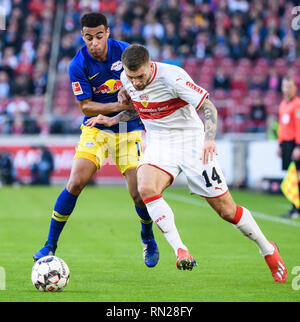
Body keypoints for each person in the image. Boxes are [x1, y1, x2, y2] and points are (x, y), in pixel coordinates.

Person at [86, 44, 287, 283]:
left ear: (151, 66)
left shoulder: (173, 76)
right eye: (131, 77)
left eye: (140, 76)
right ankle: (180, 250)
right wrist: (112, 120)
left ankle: (268, 250)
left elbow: (208, 106)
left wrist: (209, 139)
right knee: (146, 187)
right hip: (160, 144)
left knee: (227, 211)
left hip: (192, 143)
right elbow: (139, 108)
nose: (136, 82)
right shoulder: (126, 78)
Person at [33, 13, 159, 268]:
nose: (94, 43)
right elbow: (86, 107)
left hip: (128, 127)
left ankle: (147, 237)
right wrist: (116, 103)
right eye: (89, 38)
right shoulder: (77, 64)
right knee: (76, 181)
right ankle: (50, 243)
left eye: (99, 36)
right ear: (83, 36)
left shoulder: (126, 53)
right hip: (96, 127)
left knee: (138, 194)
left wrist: (132, 95)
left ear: (108, 33)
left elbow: (145, 87)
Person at [277, 76, 300, 219]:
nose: (286, 89)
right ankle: (294, 207)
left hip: (294, 144)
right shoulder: (282, 104)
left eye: (289, 87)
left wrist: (298, 146)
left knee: (297, 176)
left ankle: (297, 209)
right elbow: (281, 126)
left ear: (295, 88)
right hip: (285, 144)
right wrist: (279, 145)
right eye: (284, 86)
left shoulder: (297, 105)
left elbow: (299, 127)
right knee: (291, 177)